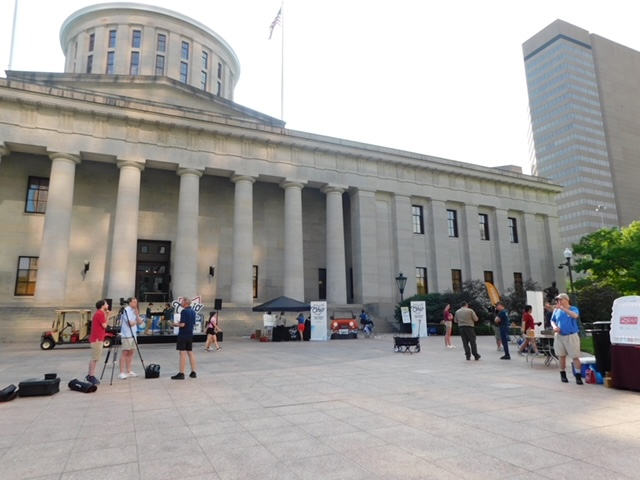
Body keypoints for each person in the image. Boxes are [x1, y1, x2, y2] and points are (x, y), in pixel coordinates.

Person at [551, 293, 583, 385]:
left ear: (566, 300)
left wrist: (563, 309)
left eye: (560, 299)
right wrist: (554, 327)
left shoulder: (573, 308)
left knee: (575, 356)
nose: (558, 301)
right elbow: (552, 320)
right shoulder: (556, 310)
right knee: (561, 356)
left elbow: (575, 316)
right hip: (559, 335)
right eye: (557, 300)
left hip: (571, 335)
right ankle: (563, 374)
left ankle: (578, 375)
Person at [118, 297, 144, 380]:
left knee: (131, 353)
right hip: (126, 334)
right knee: (125, 352)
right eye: (134, 302)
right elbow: (130, 323)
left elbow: (140, 322)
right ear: (130, 302)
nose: (135, 304)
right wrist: (136, 321)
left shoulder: (134, 311)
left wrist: (137, 314)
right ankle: (122, 372)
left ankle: (129, 370)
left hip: (133, 334)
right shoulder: (126, 310)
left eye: (136, 302)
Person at [172, 297, 198, 380]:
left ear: (186, 302)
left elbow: (183, 324)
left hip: (183, 334)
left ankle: (181, 373)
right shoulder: (193, 312)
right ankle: (193, 372)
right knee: (190, 352)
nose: (181, 302)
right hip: (190, 334)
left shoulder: (184, 311)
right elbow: (193, 323)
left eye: (182, 301)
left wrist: (175, 324)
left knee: (182, 353)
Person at [86, 299, 110, 385]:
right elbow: (105, 325)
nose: (107, 305)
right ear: (102, 305)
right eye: (106, 304)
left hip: (98, 338)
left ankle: (91, 375)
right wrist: (107, 316)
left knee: (95, 358)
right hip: (97, 339)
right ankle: (90, 375)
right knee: (95, 358)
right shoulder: (99, 314)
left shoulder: (99, 314)